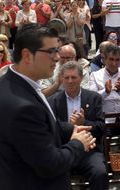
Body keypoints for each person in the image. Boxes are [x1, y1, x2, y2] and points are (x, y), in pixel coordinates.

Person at [0, 24, 95, 190]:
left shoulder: (12, 82)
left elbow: (44, 126)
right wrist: (78, 143)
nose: (57, 58)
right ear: (27, 55)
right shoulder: (21, 107)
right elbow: (50, 164)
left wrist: (72, 128)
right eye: (51, 51)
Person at [48, 61, 108, 190]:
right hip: (63, 150)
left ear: (81, 78)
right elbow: (52, 128)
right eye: (67, 78)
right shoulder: (52, 101)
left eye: (74, 77)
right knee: (51, 174)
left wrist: (83, 123)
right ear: (61, 79)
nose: (70, 81)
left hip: (89, 151)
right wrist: (72, 126)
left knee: (100, 173)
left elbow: (101, 127)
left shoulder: (94, 98)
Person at [88, 44, 120, 117]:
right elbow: (92, 100)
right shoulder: (94, 75)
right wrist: (105, 92)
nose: (114, 63)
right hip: (104, 120)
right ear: (104, 59)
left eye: (117, 60)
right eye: (111, 59)